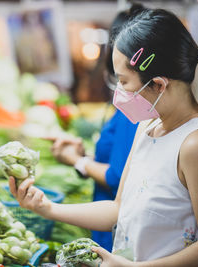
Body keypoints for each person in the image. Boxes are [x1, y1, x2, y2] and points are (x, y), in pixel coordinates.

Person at [10, 7, 198, 266]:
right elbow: (119, 209)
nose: (119, 91)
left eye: (124, 81)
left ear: (159, 85)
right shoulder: (147, 127)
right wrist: (46, 209)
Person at [49, 4, 144, 252]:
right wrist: (85, 157)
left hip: (114, 228)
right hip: (110, 221)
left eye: (123, 79)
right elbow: (126, 163)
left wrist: (77, 162)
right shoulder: (135, 104)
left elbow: (117, 175)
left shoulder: (134, 108)